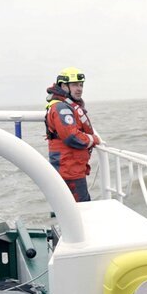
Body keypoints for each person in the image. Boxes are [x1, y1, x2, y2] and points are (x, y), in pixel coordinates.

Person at [44, 66, 101, 202]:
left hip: (73, 168)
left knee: (77, 208)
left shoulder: (66, 105)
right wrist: (94, 139)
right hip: (69, 170)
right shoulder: (61, 107)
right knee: (81, 210)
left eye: (81, 85)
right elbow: (72, 137)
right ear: (64, 86)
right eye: (75, 85)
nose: (79, 88)